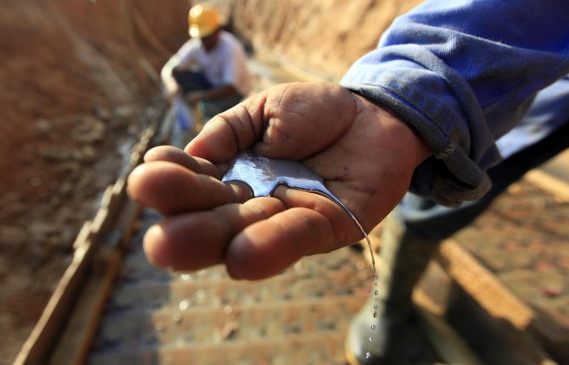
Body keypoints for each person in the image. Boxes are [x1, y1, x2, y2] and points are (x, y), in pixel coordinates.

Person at [129, 0, 569, 364]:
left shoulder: (228, 50)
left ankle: (393, 303)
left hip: (553, 106)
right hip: (544, 91)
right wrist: (401, 98)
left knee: (475, 175)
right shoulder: (197, 50)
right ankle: (393, 305)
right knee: (432, 197)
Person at [160, 3, 251, 121]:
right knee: (182, 77)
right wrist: (172, 85)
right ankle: (187, 113)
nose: (204, 41)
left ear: (217, 30)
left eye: (207, 36)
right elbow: (171, 68)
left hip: (234, 93)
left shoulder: (230, 48)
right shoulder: (197, 45)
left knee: (210, 112)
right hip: (211, 83)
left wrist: (202, 97)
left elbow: (231, 87)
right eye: (201, 37)